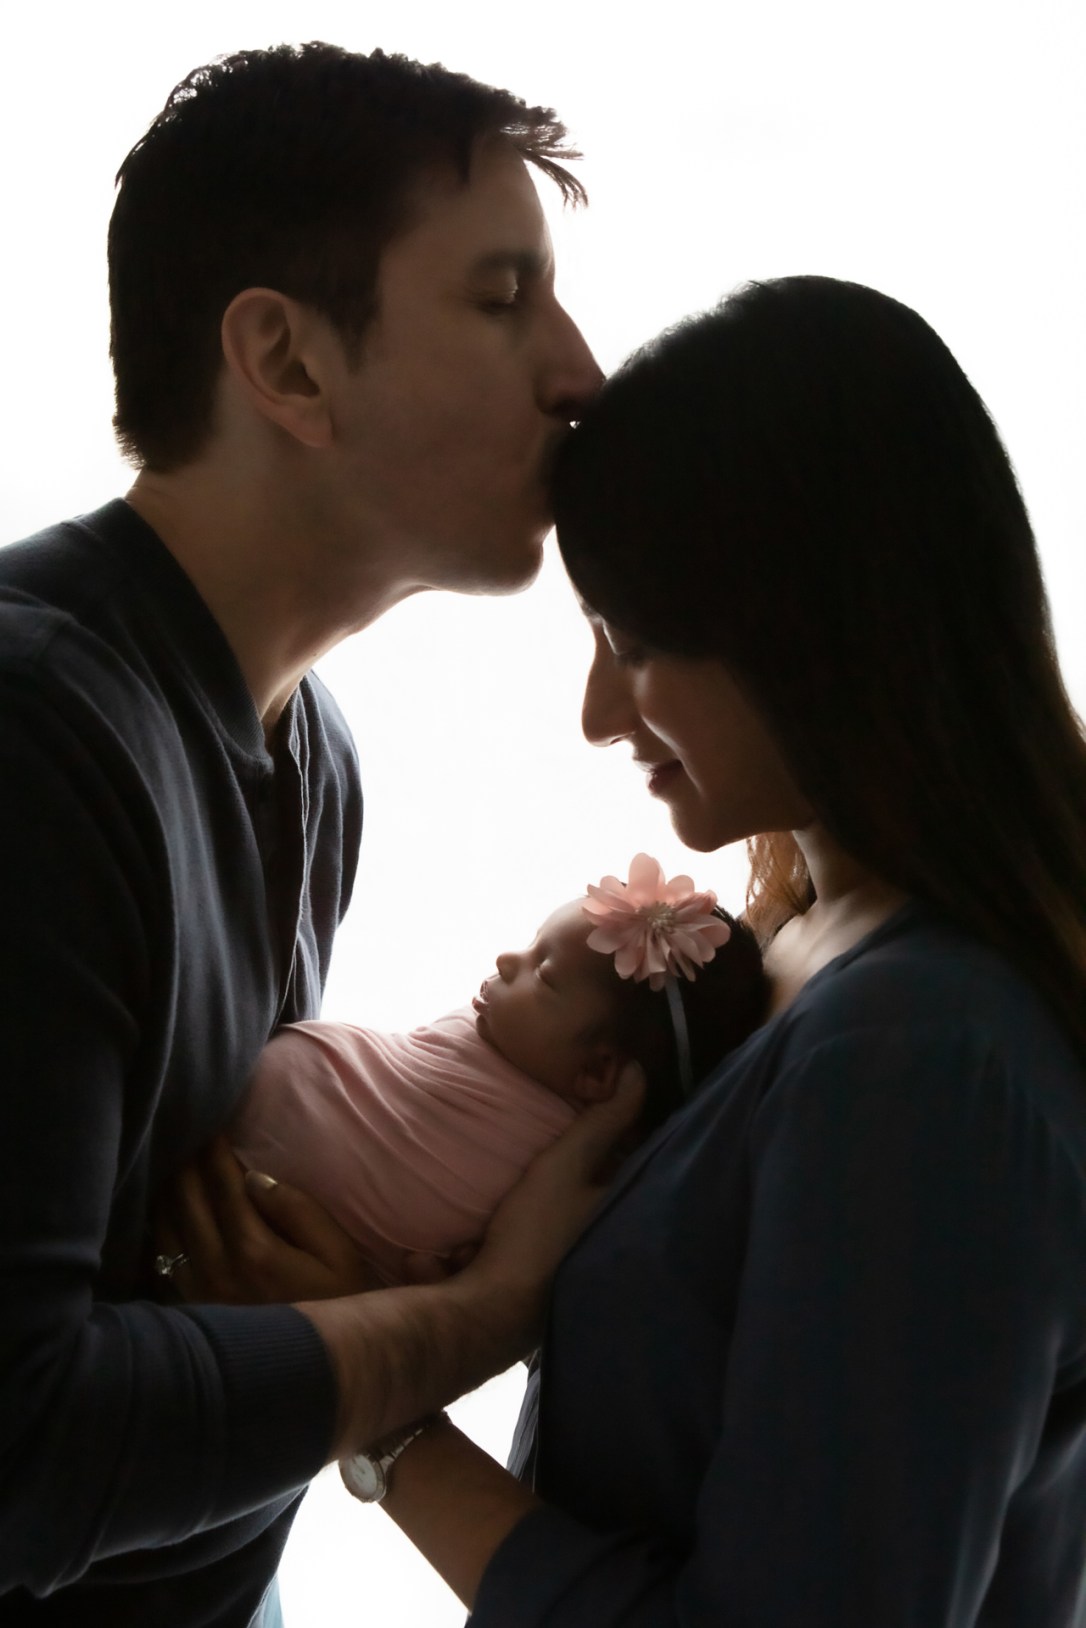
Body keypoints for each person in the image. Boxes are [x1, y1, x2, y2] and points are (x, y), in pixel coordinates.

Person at [325, 277, 1086, 1625]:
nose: (592, 711)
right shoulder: (803, 941)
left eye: (628, 639)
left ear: (806, 629)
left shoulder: (922, 1046)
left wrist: (374, 1422)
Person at [0, 38, 610, 1627]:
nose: (580, 371)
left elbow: (216, 1283)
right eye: (501, 298)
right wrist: (487, 1310)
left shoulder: (311, 758)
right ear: (284, 362)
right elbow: (18, 1453)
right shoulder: (33, 734)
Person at [226, 857, 767, 1284]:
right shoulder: (506, 1037)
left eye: (544, 973)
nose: (508, 961)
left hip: (265, 1234)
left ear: (600, 1072)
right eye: (531, 946)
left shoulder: (553, 1168)